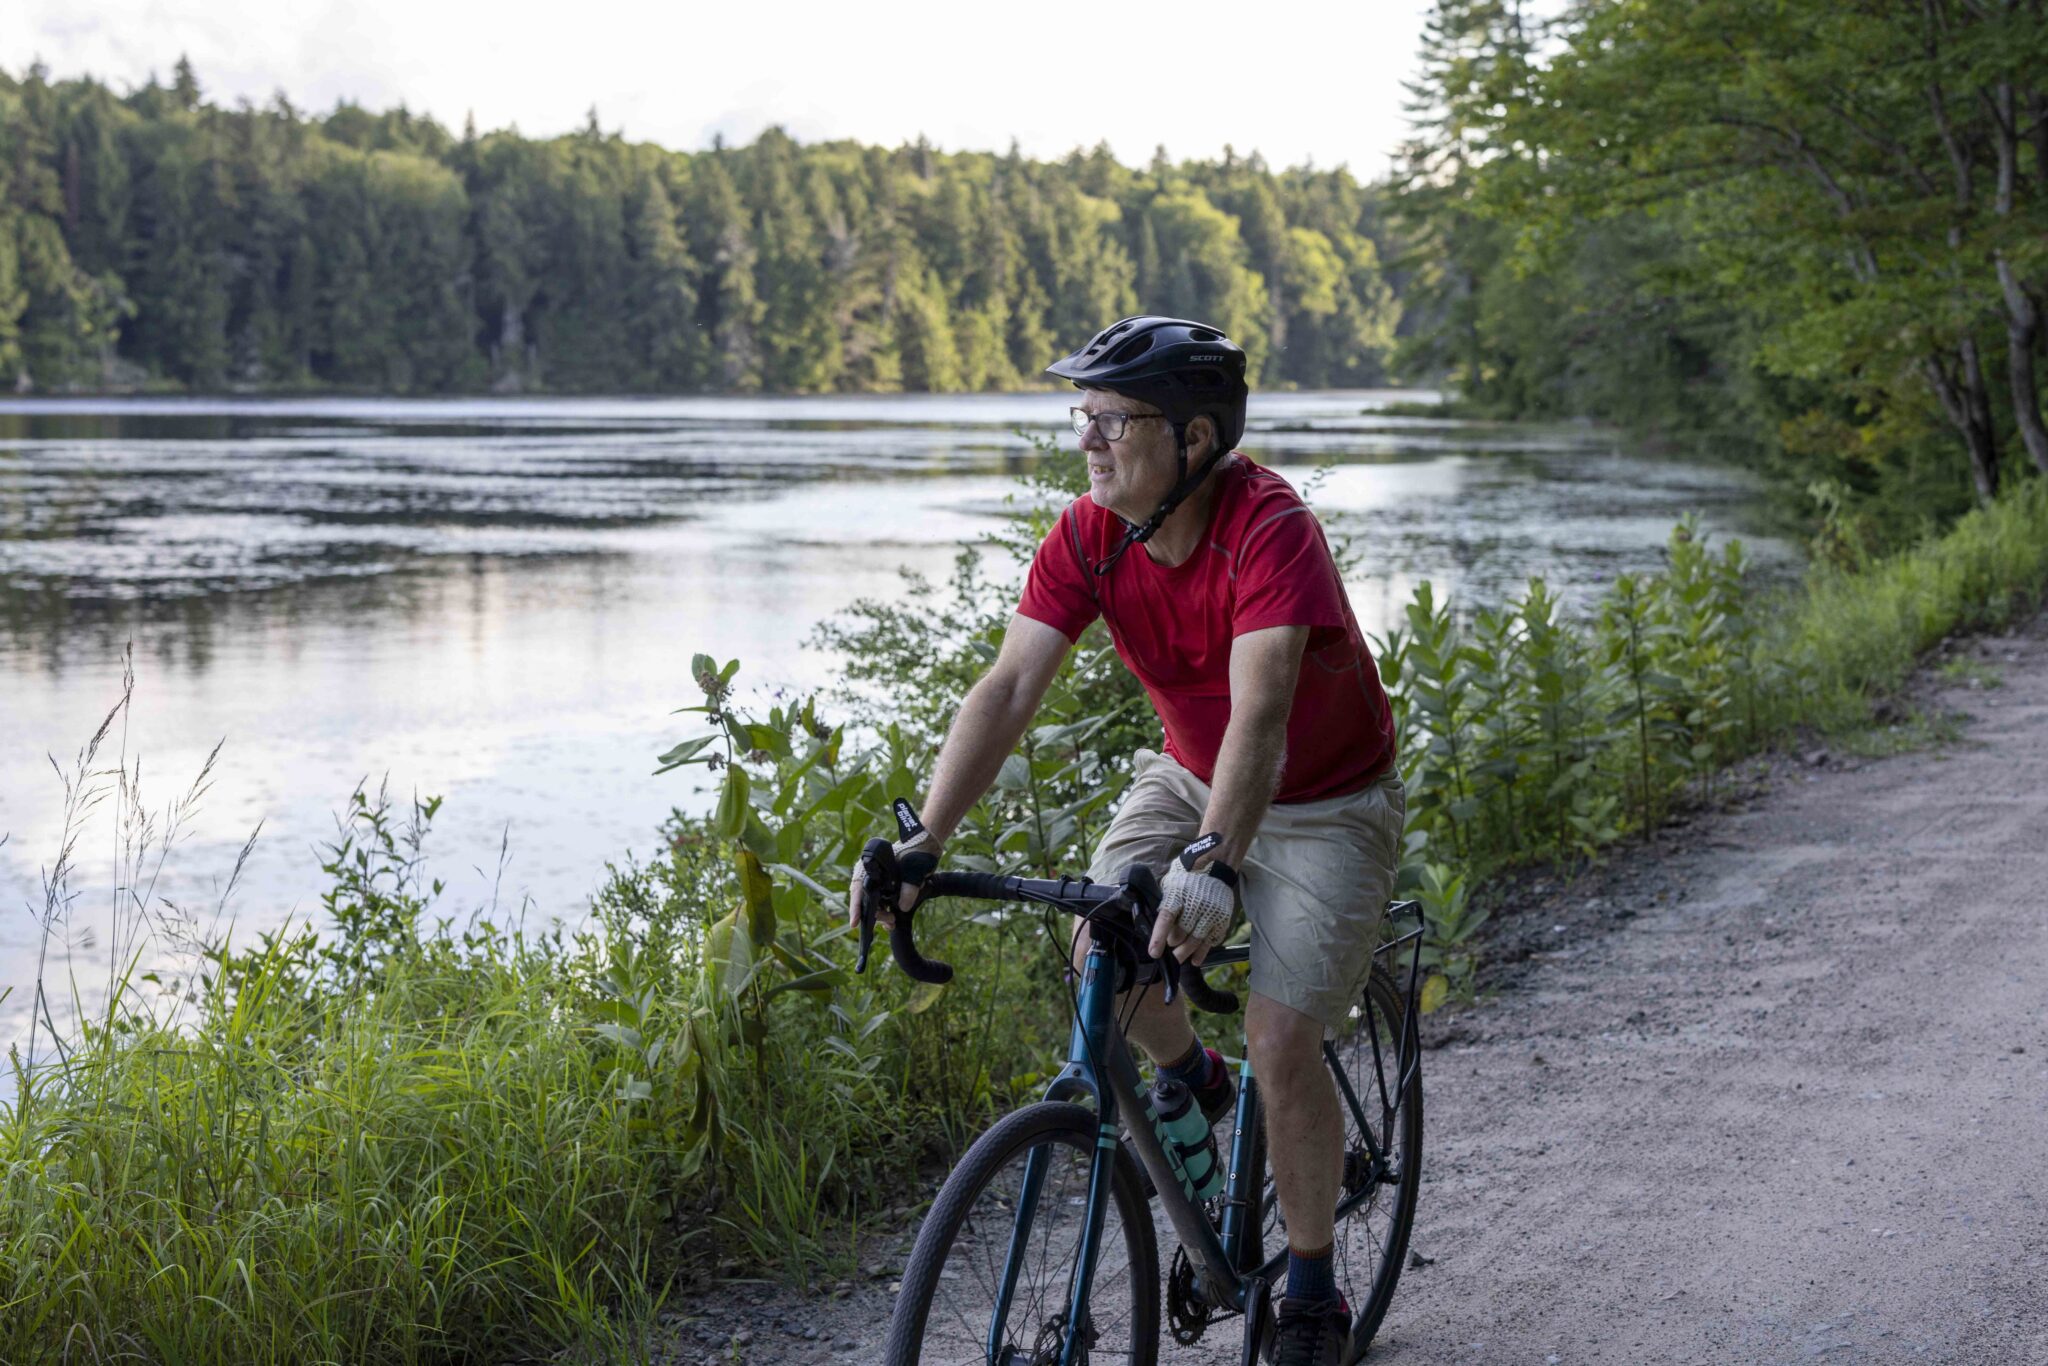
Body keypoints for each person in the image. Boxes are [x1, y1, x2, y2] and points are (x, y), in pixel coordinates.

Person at [847, 315, 1404, 1366]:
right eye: (1083, 416)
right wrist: (923, 836)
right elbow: (1009, 685)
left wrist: (1215, 862)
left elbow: (1262, 714)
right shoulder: (1091, 534)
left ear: (1193, 439)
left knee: (1283, 1040)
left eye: (1111, 419)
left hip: (1326, 797)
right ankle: (1194, 1079)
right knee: (1098, 942)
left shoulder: (1267, 527)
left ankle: (1317, 1295)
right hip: (1190, 773)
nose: (1087, 439)